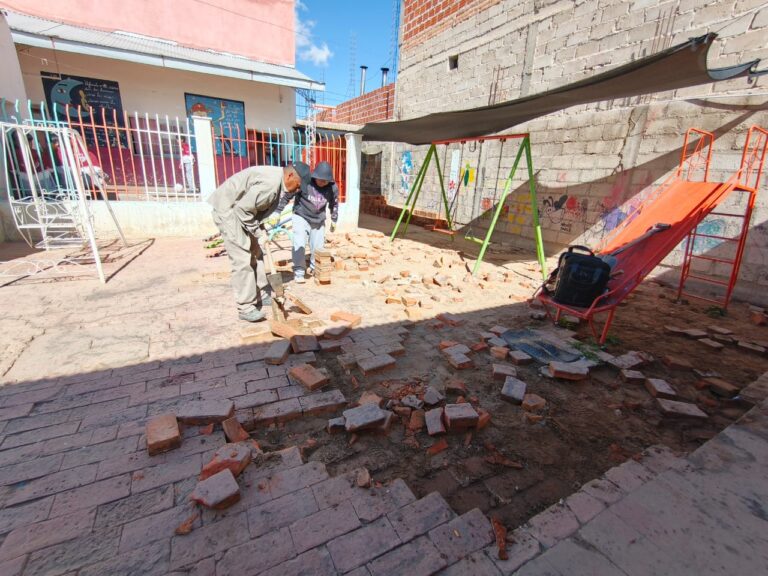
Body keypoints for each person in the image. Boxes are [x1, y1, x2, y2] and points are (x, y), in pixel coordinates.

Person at [209, 162, 309, 322]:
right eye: (298, 185)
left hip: (241, 212)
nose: (297, 189)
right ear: (290, 175)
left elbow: (253, 208)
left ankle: (261, 292)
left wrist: (260, 229)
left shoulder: (277, 180)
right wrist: (258, 232)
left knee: (257, 252)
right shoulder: (270, 184)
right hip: (229, 212)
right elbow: (242, 209)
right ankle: (245, 307)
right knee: (242, 259)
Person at [275, 161, 339, 283]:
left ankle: (315, 268)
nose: (322, 182)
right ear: (315, 176)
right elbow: (288, 195)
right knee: (299, 243)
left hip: (318, 219)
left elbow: (334, 204)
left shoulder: (332, 188)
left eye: (325, 181)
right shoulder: (306, 182)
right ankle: (299, 271)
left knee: (318, 247)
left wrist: (334, 218)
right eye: (320, 179)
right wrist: (277, 211)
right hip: (301, 215)